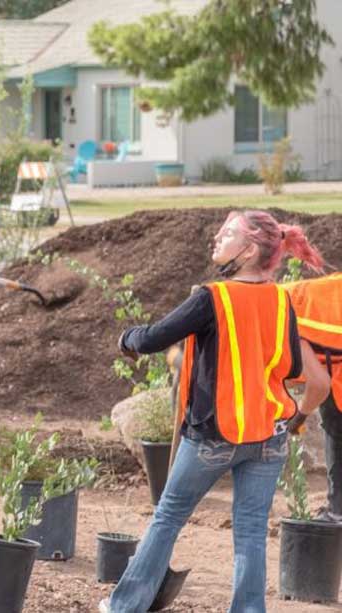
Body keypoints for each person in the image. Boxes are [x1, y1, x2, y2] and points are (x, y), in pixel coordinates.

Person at [101, 210, 332, 613]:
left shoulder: (212, 298)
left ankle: (124, 607)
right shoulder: (281, 299)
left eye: (228, 233)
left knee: (168, 516)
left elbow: (155, 338)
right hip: (268, 435)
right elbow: (294, 367)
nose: (217, 238)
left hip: (214, 435)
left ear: (247, 250)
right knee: (250, 531)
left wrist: (127, 338)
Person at [282, 273, 342, 522]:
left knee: (336, 429)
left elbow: (318, 384)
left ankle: (338, 511)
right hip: (335, 364)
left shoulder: (283, 318)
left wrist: (298, 418)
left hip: (333, 370)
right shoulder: (285, 301)